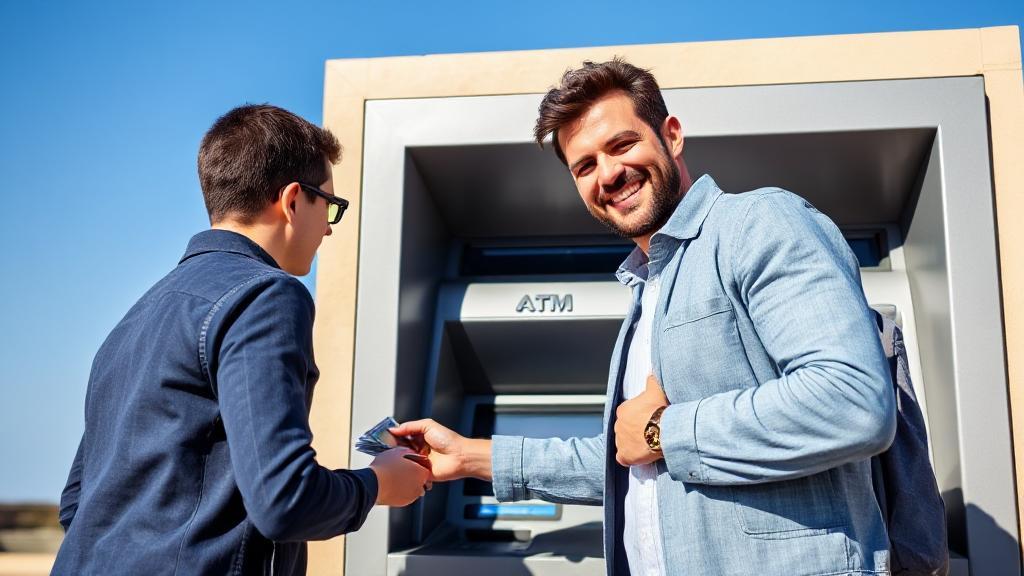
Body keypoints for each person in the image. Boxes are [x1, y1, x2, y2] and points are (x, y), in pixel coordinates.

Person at [391, 59, 896, 575]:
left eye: (621, 145)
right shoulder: (647, 287)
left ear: (671, 135)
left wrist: (663, 431)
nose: (607, 174)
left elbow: (852, 402)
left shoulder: (758, 224)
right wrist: (474, 457)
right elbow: (631, 461)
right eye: (584, 166)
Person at [54, 104, 431, 575]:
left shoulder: (136, 318)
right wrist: (378, 483)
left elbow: (78, 506)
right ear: (293, 200)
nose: (330, 227)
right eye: (330, 206)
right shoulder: (266, 295)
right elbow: (284, 500)